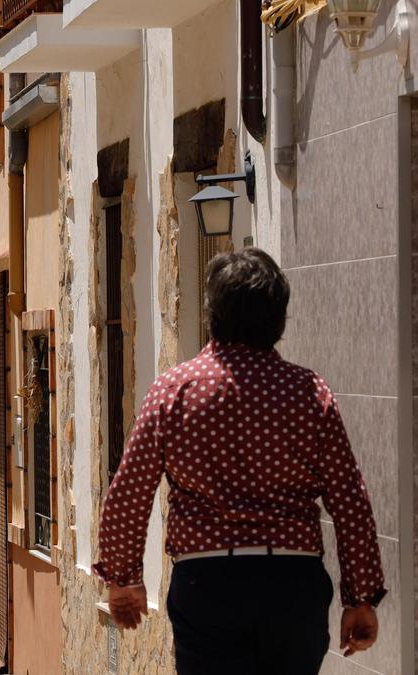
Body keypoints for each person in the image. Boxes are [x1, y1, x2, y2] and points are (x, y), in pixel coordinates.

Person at [93, 248, 386, 674]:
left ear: (213, 313)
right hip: (293, 587)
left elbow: (129, 494)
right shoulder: (309, 394)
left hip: (207, 588)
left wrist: (123, 579)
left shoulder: (172, 392)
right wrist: (360, 597)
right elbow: (350, 501)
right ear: (279, 318)